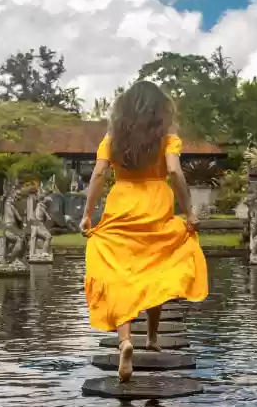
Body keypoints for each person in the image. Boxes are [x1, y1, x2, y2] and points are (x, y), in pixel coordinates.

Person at [79, 80, 209, 383]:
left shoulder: (112, 138)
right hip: (155, 205)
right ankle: (151, 337)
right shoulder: (167, 138)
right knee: (155, 266)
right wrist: (189, 211)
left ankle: (126, 340)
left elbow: (99, 174)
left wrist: (87, 214)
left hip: (122, 204)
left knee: (118, 270)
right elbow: (175, 172)